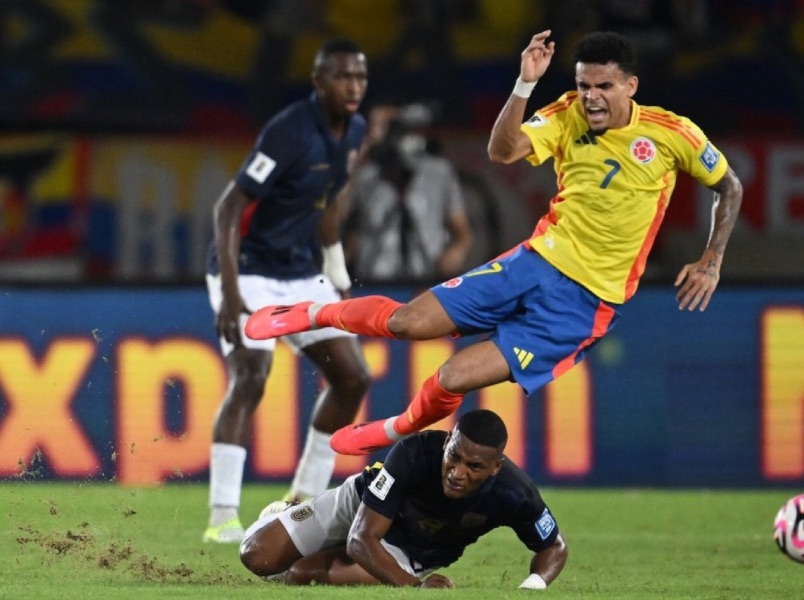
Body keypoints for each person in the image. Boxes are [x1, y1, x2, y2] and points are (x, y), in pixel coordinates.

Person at [243, 29, 744, 456]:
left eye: (604, 86)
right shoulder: (566, 113)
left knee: (453, 377)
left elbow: (729, 187)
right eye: (583, 84)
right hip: (535, 263)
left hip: (583, 304)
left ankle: (398, 428)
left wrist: (712, 259)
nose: (591, 96)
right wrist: (526, 82)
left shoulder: (671, 133)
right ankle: (310, 314)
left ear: (630, 86)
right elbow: (502, 151)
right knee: (407, 322)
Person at [202, 38, 373, 542]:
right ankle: (222, 519)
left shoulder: (355, 128)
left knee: (352, 377)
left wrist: (337, 273)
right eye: (344, 77)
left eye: (361, 77)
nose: (354, 87)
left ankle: (302, 506)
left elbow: (328, 202)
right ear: (319, 81)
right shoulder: (289, 130)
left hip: (301, 272)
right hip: (249, 270)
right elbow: (228, 209)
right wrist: (231, 295)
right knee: (253, 373)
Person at [239, 409, 567, 589]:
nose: (457, 472)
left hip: (411, 548)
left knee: (300, 574)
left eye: (474, 467)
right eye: (454, 456)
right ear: (447, 441)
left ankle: (315, 549)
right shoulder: (414, 451)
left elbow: (553, 546)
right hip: (364, 506)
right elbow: (361, 539)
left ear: (496, 468)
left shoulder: (514, 492)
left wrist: (533, 588)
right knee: (256, 556)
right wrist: (414, 589)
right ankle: (294, 516)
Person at [343, 102, 473, 284]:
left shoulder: (439, 172)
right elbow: (336, 216)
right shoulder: (365, 175)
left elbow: (461, 230)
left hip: (427, 280)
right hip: (374, 280)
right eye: (394, 130)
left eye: (406, 129)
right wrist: (368, 147)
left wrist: (455, 253)